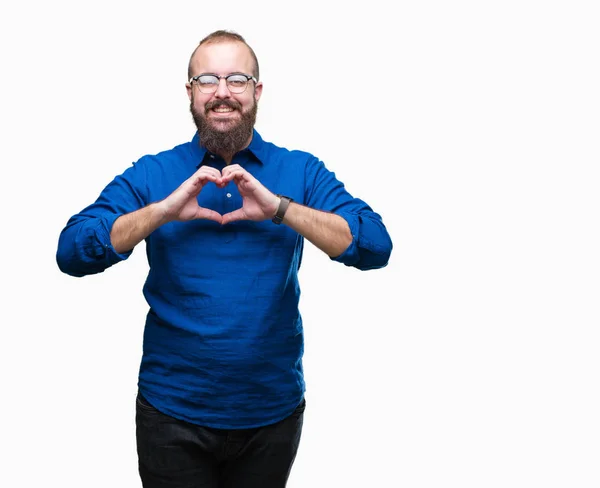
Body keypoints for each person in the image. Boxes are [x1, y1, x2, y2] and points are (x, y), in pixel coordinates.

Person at [56, 29, 393, 488]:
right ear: (190, 93)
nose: (221, 92)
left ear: (256, 91)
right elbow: (72, 251)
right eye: (206, 80)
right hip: (171, 415)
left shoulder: (299, 171)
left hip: (271, 414)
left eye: (236, 79)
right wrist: (161, 212)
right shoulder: (155, 173)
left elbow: (374, 246)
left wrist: (281, 209)